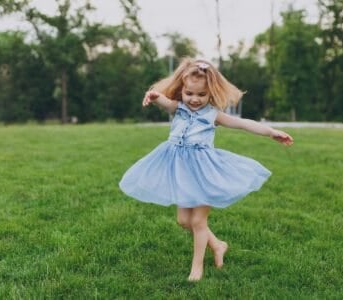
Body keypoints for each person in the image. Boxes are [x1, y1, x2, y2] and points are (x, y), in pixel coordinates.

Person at [119, 58, 293, 281]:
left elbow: (243, 123)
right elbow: (164, 101)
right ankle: (218, 245)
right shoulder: (178, 108)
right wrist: (154, 96)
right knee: (184, 221)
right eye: (189, 93)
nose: (194, 99)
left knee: (198, 222)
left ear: (210, 94)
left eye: (201, 95)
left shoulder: (213, 115)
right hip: (181, 170)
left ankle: (197, 268)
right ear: (182, 90)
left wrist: (271, 132)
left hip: (204, 172)